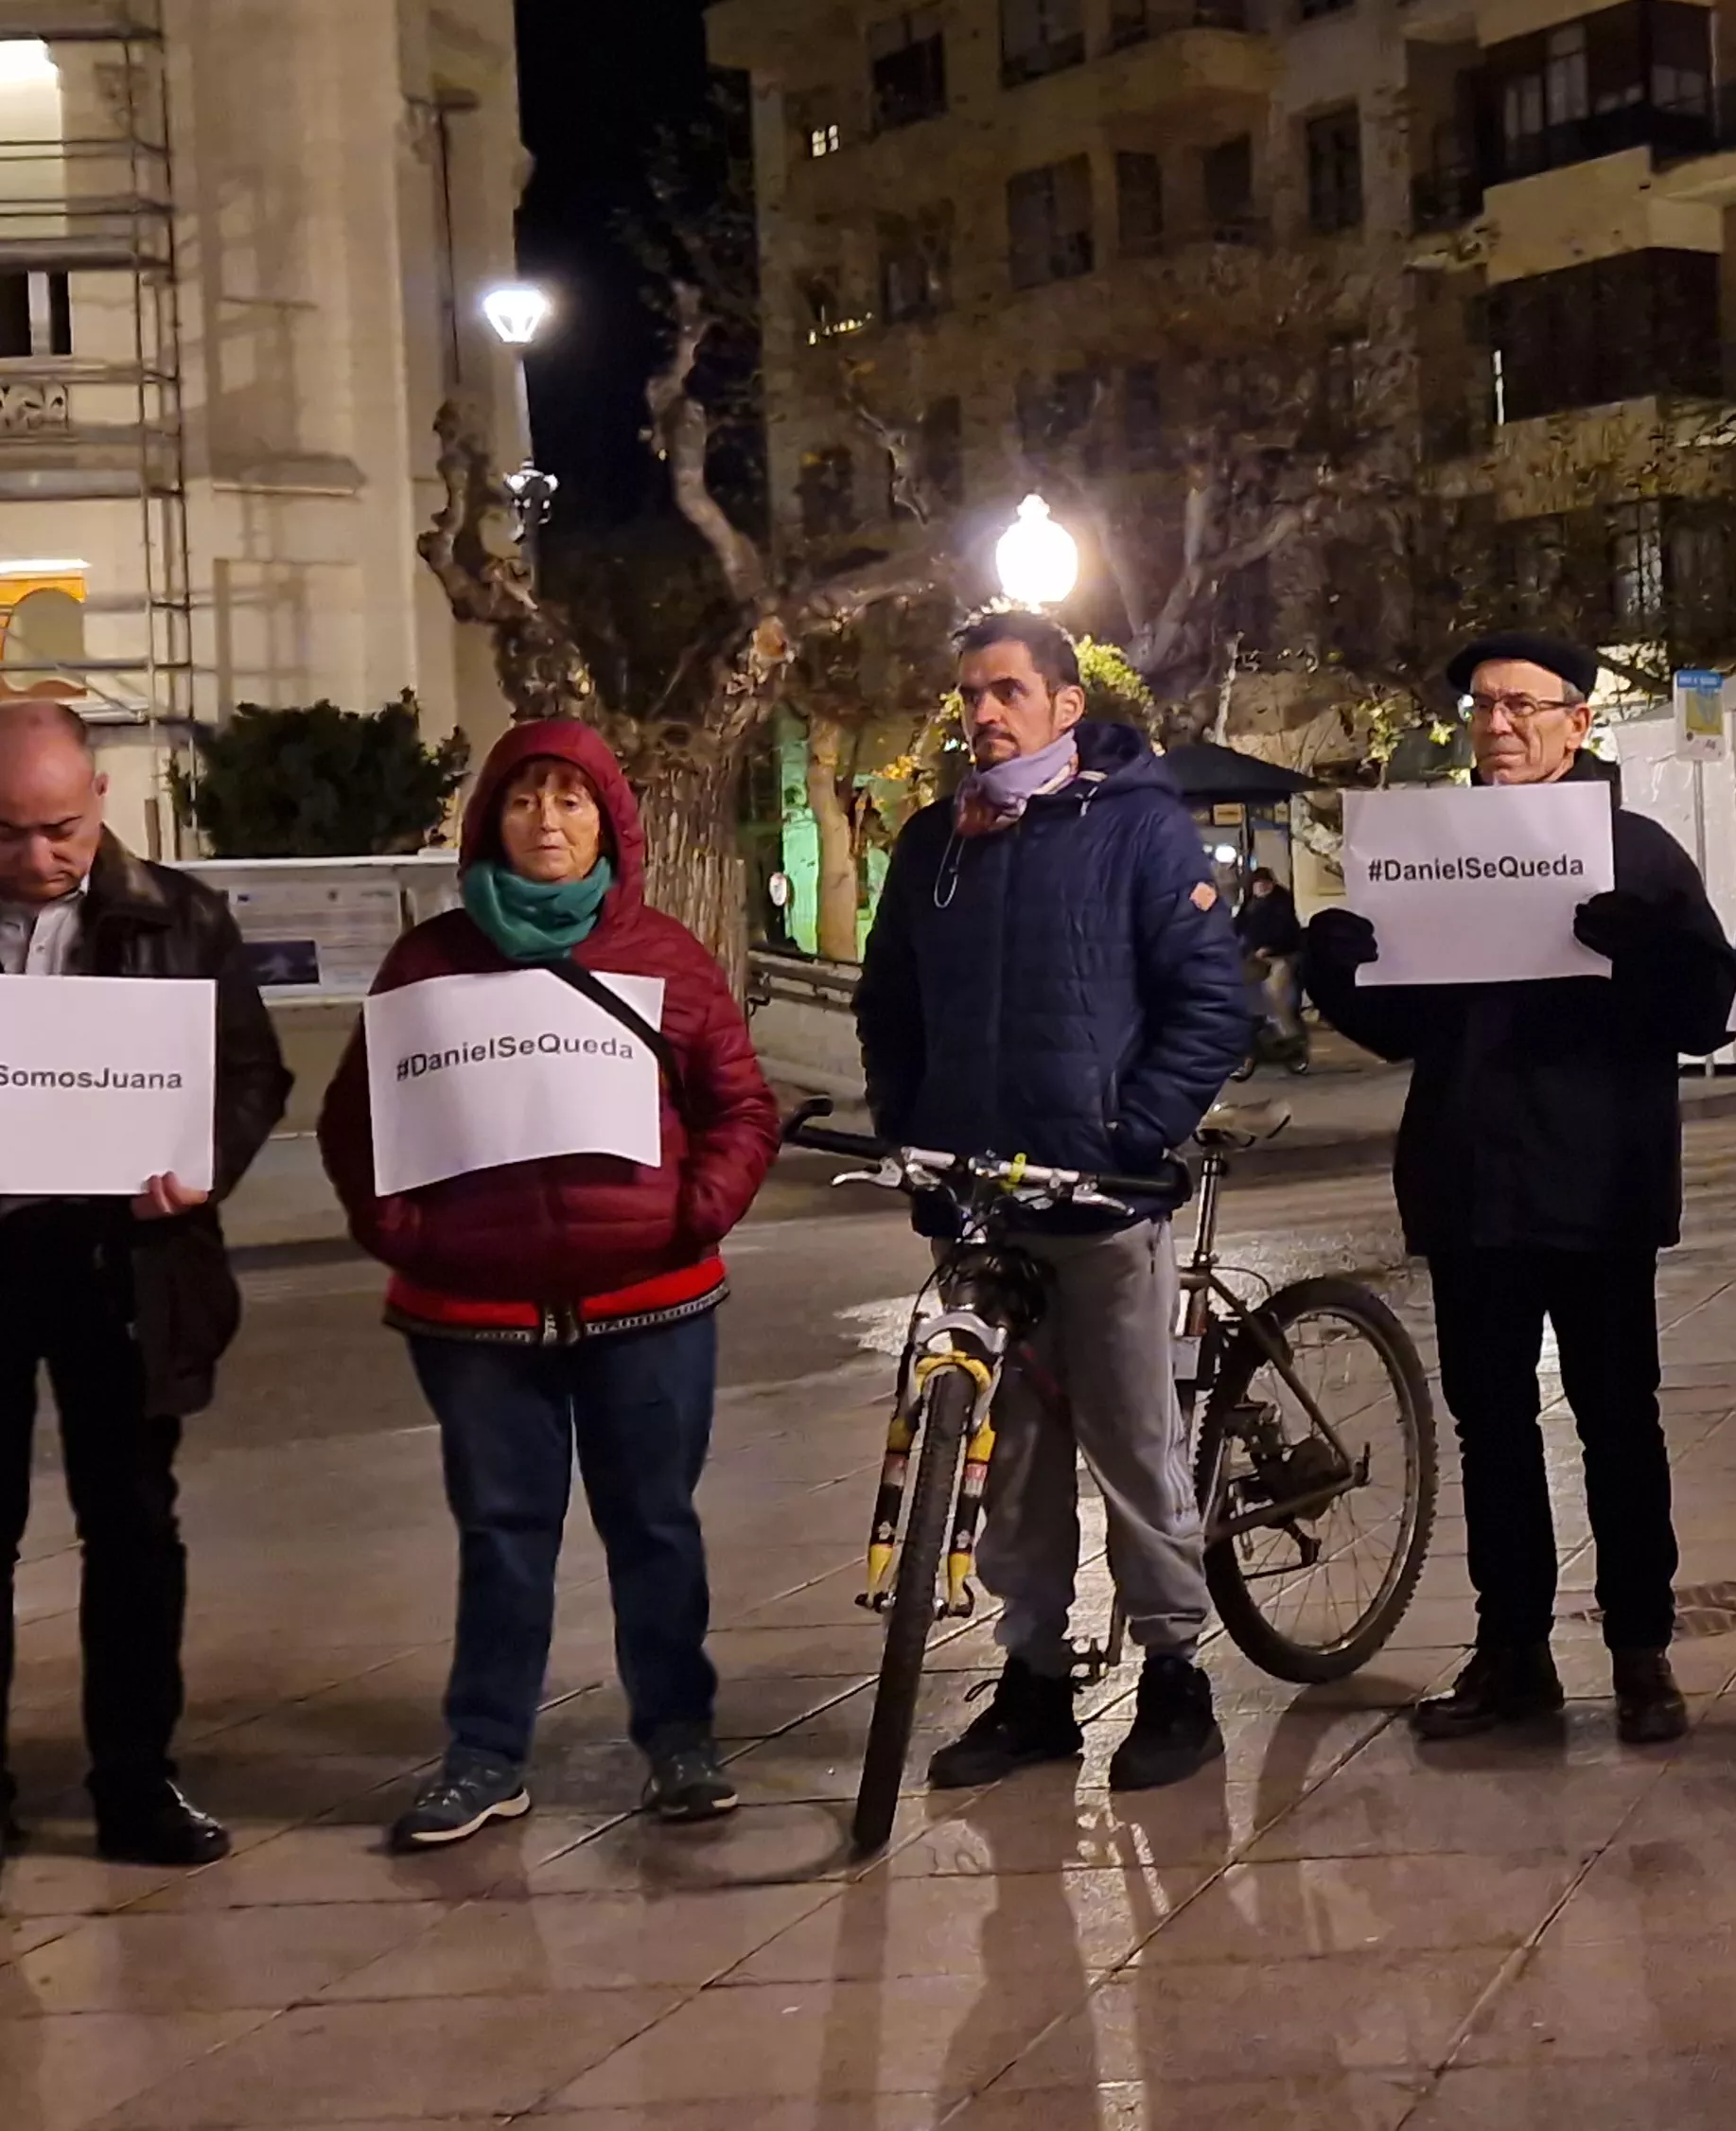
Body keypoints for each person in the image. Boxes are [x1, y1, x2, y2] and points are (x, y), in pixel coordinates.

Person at [318, 722, 780, 1849]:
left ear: (609, 822)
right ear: (490, 821)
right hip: (475, 1317)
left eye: (573, 800)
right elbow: (355, 1119)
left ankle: (679, 1735)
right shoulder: (428, 963)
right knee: (502, 1532)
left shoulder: (666, 958)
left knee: (655, 1526)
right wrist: (408, 1230)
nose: (548, 821)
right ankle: (484, 1752)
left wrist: (694, 1209)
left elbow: (741, 1108)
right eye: (526, 799)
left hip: (648, 1303)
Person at [1299, 632, 1736, 1747]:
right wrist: (1338, 969)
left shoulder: (1636, 852)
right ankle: (1514, 1653)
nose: (1497, 726)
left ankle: (1641, 1651)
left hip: (1597, 1187)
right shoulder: (1430, 850)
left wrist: (1649, 952)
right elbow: (1402, 1028)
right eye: (1482, 708)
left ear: (1576, 722)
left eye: (1522, 707)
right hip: (1469, 1184)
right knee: (1488, 1426)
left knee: (1617, 1423)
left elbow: (1706, 1014)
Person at [858, 608, 1252, 1794]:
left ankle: (1177, 1675)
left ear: (1065, 705)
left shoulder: (1138, 828)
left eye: (1009, 691)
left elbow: (1209, 1005)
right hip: (981, 1202)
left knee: (1135, 1441)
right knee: (1008, 1455)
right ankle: (1033, 1680)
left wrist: (1133, 1133)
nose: (984, 713)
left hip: (1100, 1196)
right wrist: (911, 1135)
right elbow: (891, 1005)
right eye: (970, 693)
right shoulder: (938, 842)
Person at [0, 700, 288, 1866]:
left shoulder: (182, 915)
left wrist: (201, 1160)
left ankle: (135, 1782)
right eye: (7, 833)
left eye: (58, 828)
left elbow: (253, 1072)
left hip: (129, 1258)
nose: (36, 858)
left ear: (101, 798)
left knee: (130, 1525)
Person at [1236, 864, 1308, 1074]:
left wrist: (1269, 947)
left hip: (1281, 957)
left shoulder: (1281, 903)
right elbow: (1237, 927)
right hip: (1254, 960)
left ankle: (1290, 1036)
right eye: (1258, 884)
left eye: (1266, 884)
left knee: (1276, 994)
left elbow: (1286, 930)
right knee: (1242, 995)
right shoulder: (1249, 905)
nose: (1262, 888)